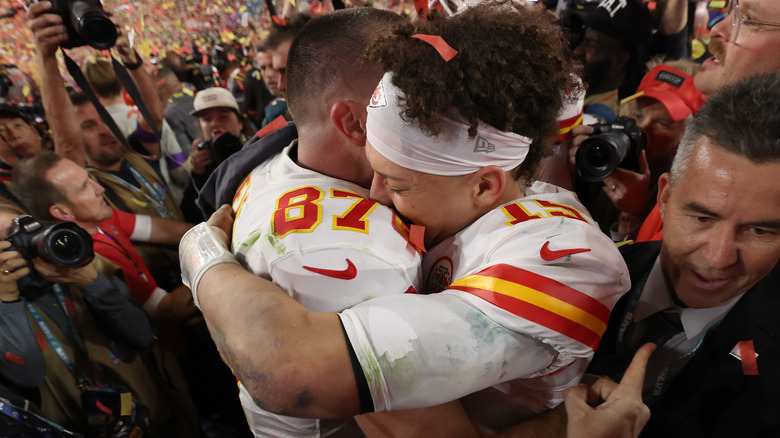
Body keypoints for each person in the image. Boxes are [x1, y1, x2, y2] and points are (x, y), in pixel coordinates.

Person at [182, 2, 628, 433]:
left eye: (397, 184)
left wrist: (200, 254)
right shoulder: (472, 202)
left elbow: (293, 374)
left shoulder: (566, 260)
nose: (375, 194)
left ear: (485, 185)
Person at [228, 9, 420, 436]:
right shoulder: (350, 254)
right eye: (413, 98)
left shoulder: (276, 164)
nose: (434, 113)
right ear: (353, 122)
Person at [586, 71, 780, 437]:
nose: (720, 258)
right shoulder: (581, 277)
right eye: (703, 217)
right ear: (664, 196)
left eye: (760, 230)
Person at [0, 202, 200, 437]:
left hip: (154, 408)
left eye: (22, 229)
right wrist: (7, 300)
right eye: (6, 243)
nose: (23, 243)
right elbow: (28, 374)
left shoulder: (82, 262)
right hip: (78, 424)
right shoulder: (4, 302)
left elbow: (143, 337)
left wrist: (92, 282)